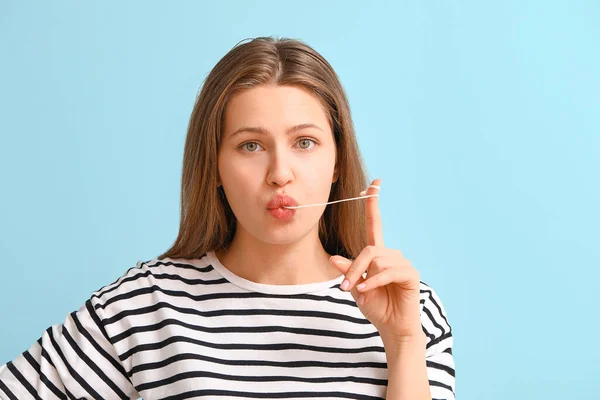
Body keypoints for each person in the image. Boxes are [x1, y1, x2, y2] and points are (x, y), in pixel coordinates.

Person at [0, 36, 455, 400]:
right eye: (250, 145)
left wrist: (402, 344)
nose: (280, 174)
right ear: (215, 167)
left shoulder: (411, 312)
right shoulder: (143, 306)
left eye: (305, 142)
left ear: (337, 163)